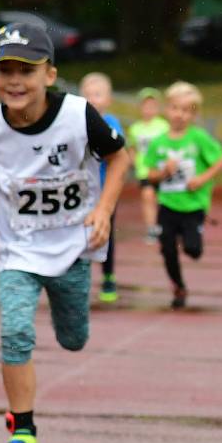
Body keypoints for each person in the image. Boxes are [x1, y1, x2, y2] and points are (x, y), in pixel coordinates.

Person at [0, 23, 128, 443]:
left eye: (26, 70)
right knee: (15, 331)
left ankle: (66, 310)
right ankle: (23, 433)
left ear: (49, 75)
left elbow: (119, 158)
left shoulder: (79, 115)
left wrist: (105, 210)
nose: (15, 80)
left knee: (73, 339)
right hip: (16, 246)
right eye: (5, 70)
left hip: (73, 244)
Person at [144, 81, 222, 310]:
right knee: (167, 249)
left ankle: (193, 240)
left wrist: (202, 179)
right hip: (168, 205)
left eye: (185, 110)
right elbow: (149, 175)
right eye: (174, 108)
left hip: (194, 205)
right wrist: (163, 172)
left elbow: (220, 160)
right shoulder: (159, 142)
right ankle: (178, 286)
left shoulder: (198, 138)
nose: (179, 115)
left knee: (193, 250)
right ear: (166, 109)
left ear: (194, 114)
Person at [79, 72, 125, 303]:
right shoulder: (76, 121)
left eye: (97, 94)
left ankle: (108, 276)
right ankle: (80, 278)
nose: (93, 99)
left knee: (105, 234)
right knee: (80, 236)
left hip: (106, 191)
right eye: (87, 95)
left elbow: (118, 154)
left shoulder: (112, 123)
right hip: (82, 192)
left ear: (108, 99)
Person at [127, 87, 169, 244]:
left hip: (163, 170)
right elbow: (132, 147)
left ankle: (166, 226)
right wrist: (132, 161)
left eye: (152, 106)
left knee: (163, 200)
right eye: (146, 105)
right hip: (144, 170)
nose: (149, 109)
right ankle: (151, 228)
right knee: (147, 196)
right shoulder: (135, 128)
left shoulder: (164, 126)